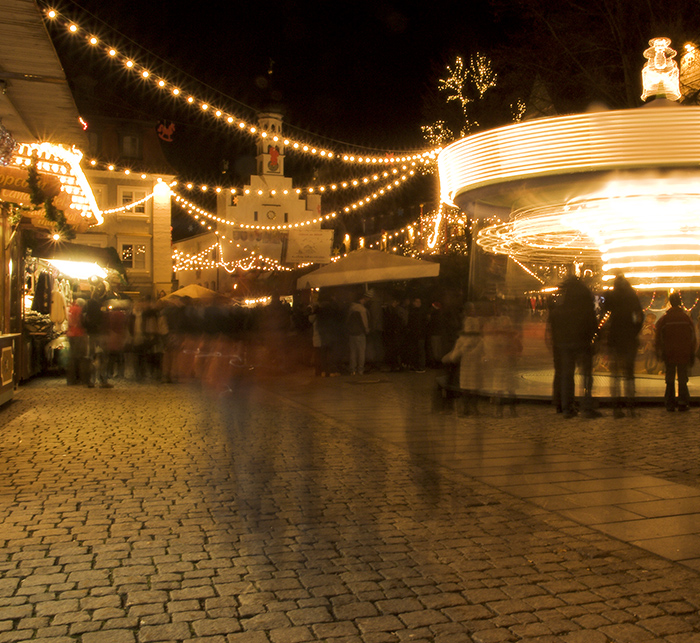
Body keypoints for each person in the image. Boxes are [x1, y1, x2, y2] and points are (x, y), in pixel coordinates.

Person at [548, 273, 600, 418]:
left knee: (567, 375)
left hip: (564, 343)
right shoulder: (584, 296)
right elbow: (592, 322)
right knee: (587, 375)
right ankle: (587, 405)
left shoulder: (561, 304)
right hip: (582, 342)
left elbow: (554, 324)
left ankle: (567, 407)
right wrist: (595, 338)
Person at [603, 274, 644, 417]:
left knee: (615, 375)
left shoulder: (612, 296)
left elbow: (604, 313)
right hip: (629, 339)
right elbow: (640, 316)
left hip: (615, 338)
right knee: (629, 374)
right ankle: (631, 406)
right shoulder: (632, 296)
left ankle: (616, 407)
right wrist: (635, 330)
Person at [655, 292, 696, 412]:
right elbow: (692, 337)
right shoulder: (686, 318)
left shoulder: (665, 319)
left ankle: (670, 402)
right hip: (684, 352)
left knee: (670, 378)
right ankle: (683, 401)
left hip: (669, 352)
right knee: (683, 378)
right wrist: (691, 351)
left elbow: (659, 337)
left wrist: (659, 350)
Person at [442, 316, 485, 415]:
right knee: (469, 389)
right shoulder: (465, 340)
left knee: (471, 389)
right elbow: (455, 355)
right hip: (467, 367)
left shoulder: (473, 339)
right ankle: (467, 408)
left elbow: (481, 350)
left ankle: (470, 408)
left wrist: (462, 353)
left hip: (473, 367)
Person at [346, 293, 369, 375]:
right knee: (361, 352)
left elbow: (347, 320)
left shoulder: (351, 308)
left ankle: (352, 369)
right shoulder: (362, 309)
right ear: (362, 299)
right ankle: (360, 370)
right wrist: (366, 330)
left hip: (352, 333)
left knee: (353, 352)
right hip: (360, 333)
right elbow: (365, 322)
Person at [66, 297, 87, 385]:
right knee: (80, 356)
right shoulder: (79, 310)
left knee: (72, 357)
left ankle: (71, 379)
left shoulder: (71, 308)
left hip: (70, 334)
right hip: (79, 334)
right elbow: (80, 321)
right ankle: (81, 378)